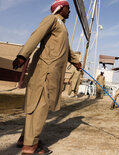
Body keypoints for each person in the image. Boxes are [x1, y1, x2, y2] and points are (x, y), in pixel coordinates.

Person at [12, 0, 81, 154]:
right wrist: (23, 55)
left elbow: (66, 48)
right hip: (46, 71)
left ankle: (25, 138)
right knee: (39, 105)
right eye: (68, 8)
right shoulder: (52, 19)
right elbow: (36, 35)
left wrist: (76, 62)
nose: (70, 11)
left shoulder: (62, 25)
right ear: (61, 8)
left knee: (36, 104)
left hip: (51, 71)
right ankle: (30, 146)